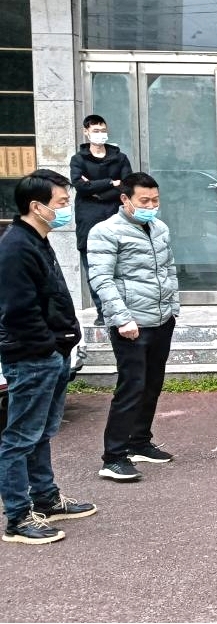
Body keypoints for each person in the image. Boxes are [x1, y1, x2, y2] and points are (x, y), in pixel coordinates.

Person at [0, 170, 95, 544]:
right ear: (37, 206)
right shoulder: (15, 248)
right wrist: (48, 348)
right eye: (62, 203)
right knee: (20, 437)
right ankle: (18, 517)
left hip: (51, 355)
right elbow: (18, 311)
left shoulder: (37, 240)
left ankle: (46, 498)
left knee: (40, 433)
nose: (67, 209)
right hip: (32, 357)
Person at [87, 172, 180, 482]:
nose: (151, 206)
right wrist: (122, 318)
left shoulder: (160, 228)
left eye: (155, 200)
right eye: (144, 201)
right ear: (125, 199)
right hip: (131, 323)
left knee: (152, 384)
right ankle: (113, 456)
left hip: (161, 319)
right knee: (131, 386)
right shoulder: (105, 232)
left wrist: (174, 307)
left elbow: (168, 270)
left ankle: (139, 442)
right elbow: (102, 279)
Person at [70, 115, 133, 326]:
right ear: (86, 132)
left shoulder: (120, 158)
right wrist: (110, 182)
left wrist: (97, 191)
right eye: (95, 130)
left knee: (121, 266)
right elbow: (80, 186)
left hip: (116, 215)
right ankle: (102, 312)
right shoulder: (79, 160)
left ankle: (124, 309)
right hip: (89, 219)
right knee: (95, 268)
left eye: (103, 130)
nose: (100, 134)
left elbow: (127, 186)